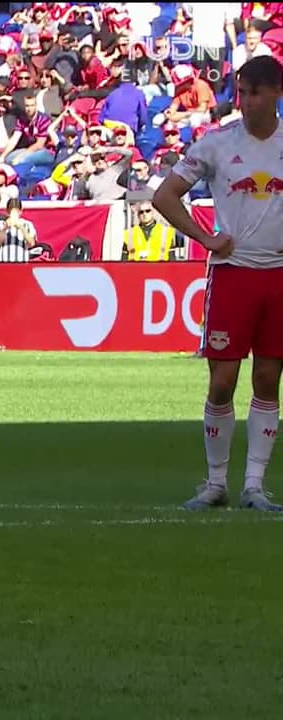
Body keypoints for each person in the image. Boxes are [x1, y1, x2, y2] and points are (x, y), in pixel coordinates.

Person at [151, 55, 283, 512]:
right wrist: (204, 237)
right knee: (222, 381)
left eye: (255, 93)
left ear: (276, 94)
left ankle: (253, 486)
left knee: (268, 378)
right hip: (233, 275)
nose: (246, 102)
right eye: (242, 92)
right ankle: (215, 484)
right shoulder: (217, 143)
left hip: (279, 278)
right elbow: (164, 195)